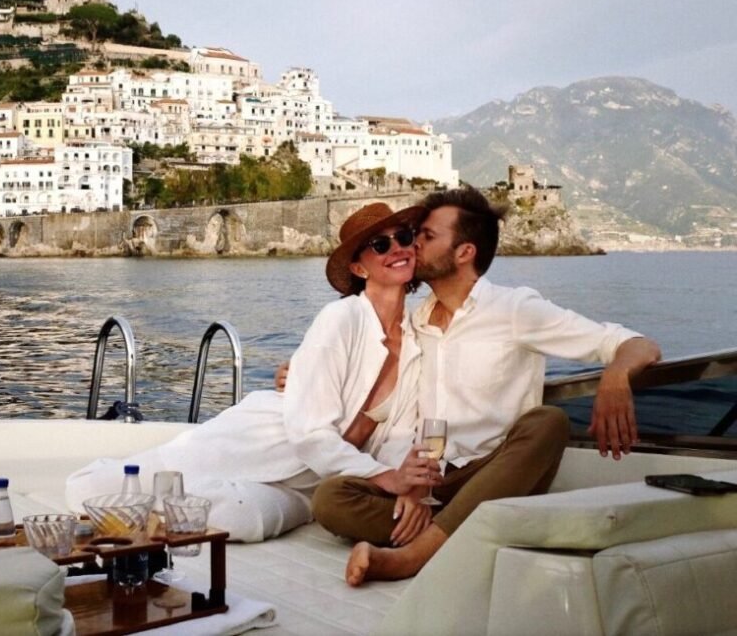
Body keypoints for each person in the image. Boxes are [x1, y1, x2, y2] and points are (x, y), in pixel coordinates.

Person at [303, 187, 662, 585]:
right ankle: (457, 533)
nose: (413, 245)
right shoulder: (416, 321)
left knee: (549, 422)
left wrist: (615, 376)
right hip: (437, 482)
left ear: (464, 252)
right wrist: (413, 488)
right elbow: (405, 401)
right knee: (330, 498)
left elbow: (635, 344)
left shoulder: (515, 309)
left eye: (425, 237)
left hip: (493, 476)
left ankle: (411, 557)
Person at [65, 202, 440, 543]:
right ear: (359, 267)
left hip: (314, 480)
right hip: (265, 437)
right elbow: (309, 432)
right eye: (380, 245)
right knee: (89, 487)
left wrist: (405, 483)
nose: (397, 249)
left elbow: (402, 434)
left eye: (404, 238)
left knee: (243, 519)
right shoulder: (341, 319)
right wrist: (382, 476)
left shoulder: (416, 339)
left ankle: (164, 509)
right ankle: (162, 496)